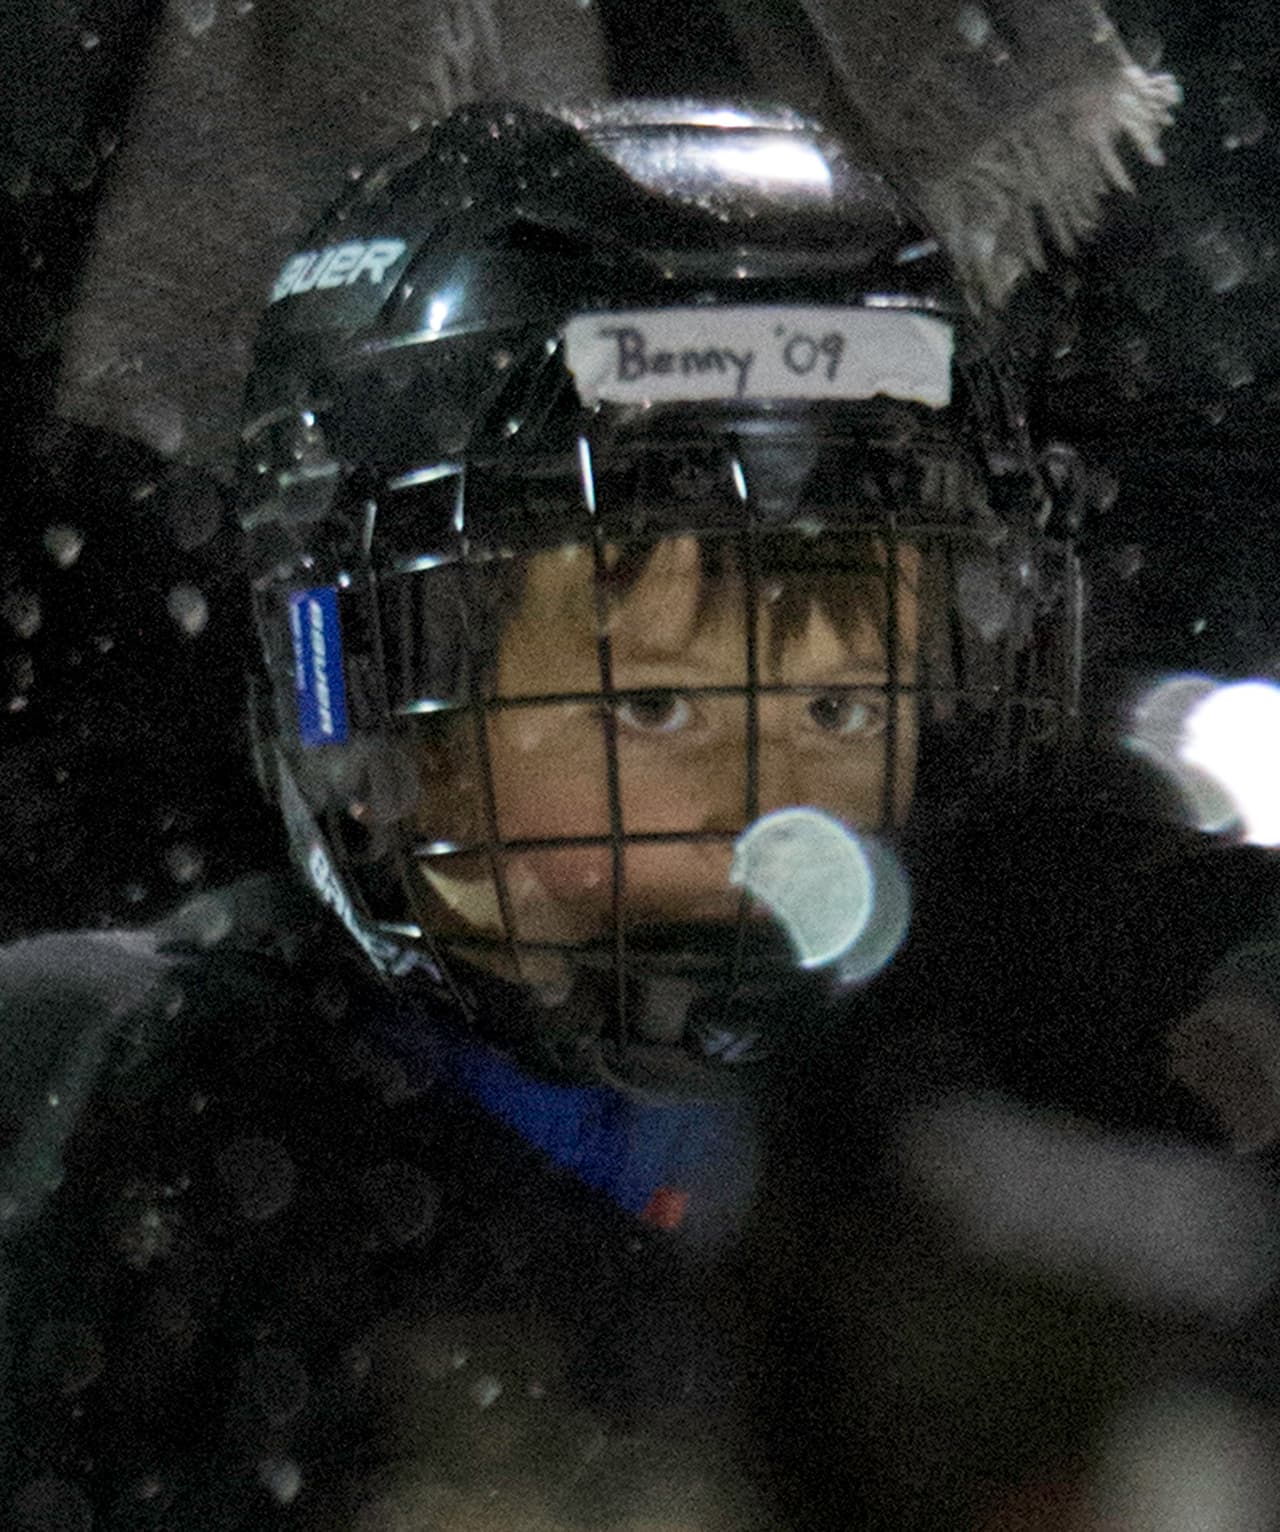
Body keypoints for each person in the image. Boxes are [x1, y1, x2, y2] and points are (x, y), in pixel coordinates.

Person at [2, 98, 1273, 1532]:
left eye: (845, 712)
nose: (768, 815)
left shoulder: (942, 1161)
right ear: (370, 704)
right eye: (652, 709)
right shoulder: (110, 1117)